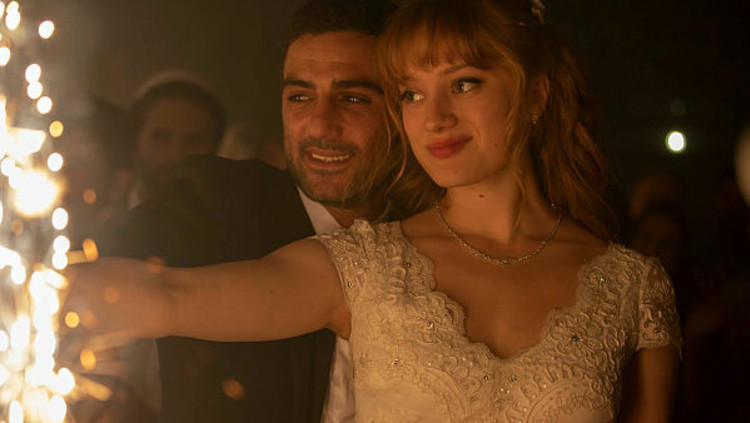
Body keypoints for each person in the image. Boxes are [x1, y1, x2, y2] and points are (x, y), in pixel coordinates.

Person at [68, 0, 682, 421]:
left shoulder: (633, 285)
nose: (435, 117)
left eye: (464, 83)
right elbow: (166, 295)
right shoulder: (363, 263)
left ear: (536, 94)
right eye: (413, 93)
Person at [88, 1, 398, 422]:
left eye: (353, 98)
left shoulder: (439, 234)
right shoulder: (214, 202)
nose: (320, 124)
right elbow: (102, 255)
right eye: (300, 96)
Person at [121, 72, 227, 209]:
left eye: (192, 141)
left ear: (214, 148)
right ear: (135, 140)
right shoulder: (103, 219)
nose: (175, 156)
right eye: (161, 139)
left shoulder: (232, 220)